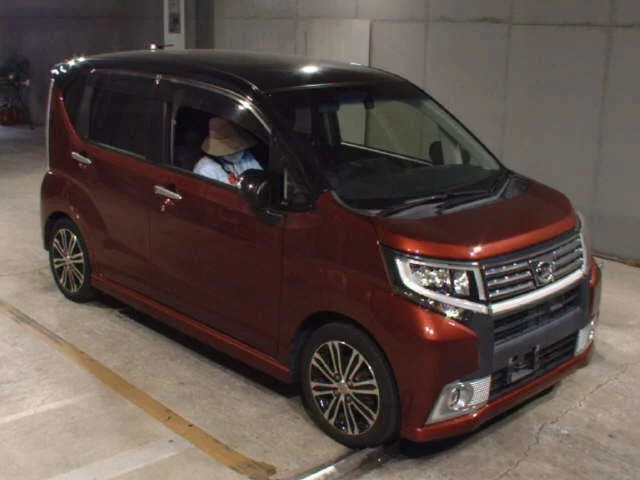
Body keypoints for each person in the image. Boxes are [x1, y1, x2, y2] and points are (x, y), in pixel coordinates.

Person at [193, 117, 262, 186]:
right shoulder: (206, 169)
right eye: (232, 149)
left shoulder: (246, 156)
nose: (238, 151)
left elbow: (259, 177)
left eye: (239, 148)